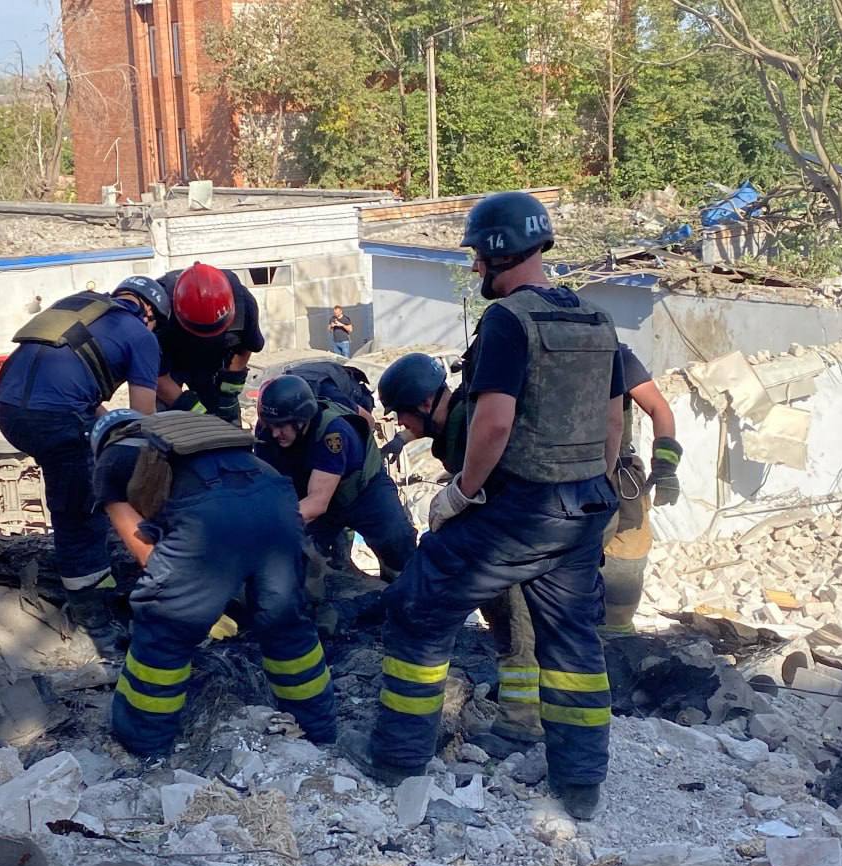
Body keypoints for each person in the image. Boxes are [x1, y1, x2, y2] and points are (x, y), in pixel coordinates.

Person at [343, 191, 623, 821]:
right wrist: (591, 491)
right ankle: (580, 785)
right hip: (582, 508)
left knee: (418, 604)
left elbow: (494, 423)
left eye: (476, 256)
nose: (474, 269)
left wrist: (462, 493)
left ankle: (396, 761)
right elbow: (613, 422)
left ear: (498, 251)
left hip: (520, 506)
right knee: (573, 642)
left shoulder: (508, 322)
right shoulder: (595, 321)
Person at [378, 342, 681, 756]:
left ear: (428, 401)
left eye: (405, 415)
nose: (405, 425)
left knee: (517, 612)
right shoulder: (501, 394)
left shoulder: (605, 357)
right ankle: (575, 741)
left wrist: (660, 466)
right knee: (566, 626)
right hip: (579, 505)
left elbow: (630, 421)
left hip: (554, 513)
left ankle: (522, 723)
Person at [91, 407, 336, 758]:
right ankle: (319, 731)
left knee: (164, 631)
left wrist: (194, 601)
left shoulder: (111, 461)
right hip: (278, 503)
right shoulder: (184, 433)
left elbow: (147, 553)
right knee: (286, 625)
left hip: (210, 519)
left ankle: (143, 745)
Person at [0, 279, 162, 659]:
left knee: (79, 474)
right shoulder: (140, 333)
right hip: (54, 419)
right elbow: (144, 420)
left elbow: (80, 395)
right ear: (150, 313)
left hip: (7, 409)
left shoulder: (79, 306)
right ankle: (95, 621)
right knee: (82, 514)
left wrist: (105, 426)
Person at [254, 375, 416, 580]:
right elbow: (266, 484)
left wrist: (271, 521)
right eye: (271, 425)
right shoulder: (267, 432)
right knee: (301, 558)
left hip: (363, 492)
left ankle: (403, 587)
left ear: (301, 419)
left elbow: (317, 503)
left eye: (282, 426)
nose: (275, 433)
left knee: (396, 541)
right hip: (313, 495)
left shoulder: (333, 433)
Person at [601, 344, 680, 637]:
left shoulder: (611, 351)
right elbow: (659, 407)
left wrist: (665, 467)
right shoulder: (608, 347)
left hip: (617, 481)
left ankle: (616, 642)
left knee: (625, 567)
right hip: (596, 478)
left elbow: (659, 408)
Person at [152, 263, 264, 425]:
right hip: (171, 365)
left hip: (213, 366)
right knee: (167, 427)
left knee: (228, 424)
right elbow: (158, 377)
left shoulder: (243, 302)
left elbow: (245, 348)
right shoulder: (159, 312)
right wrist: (195, 412)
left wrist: (228, 392)